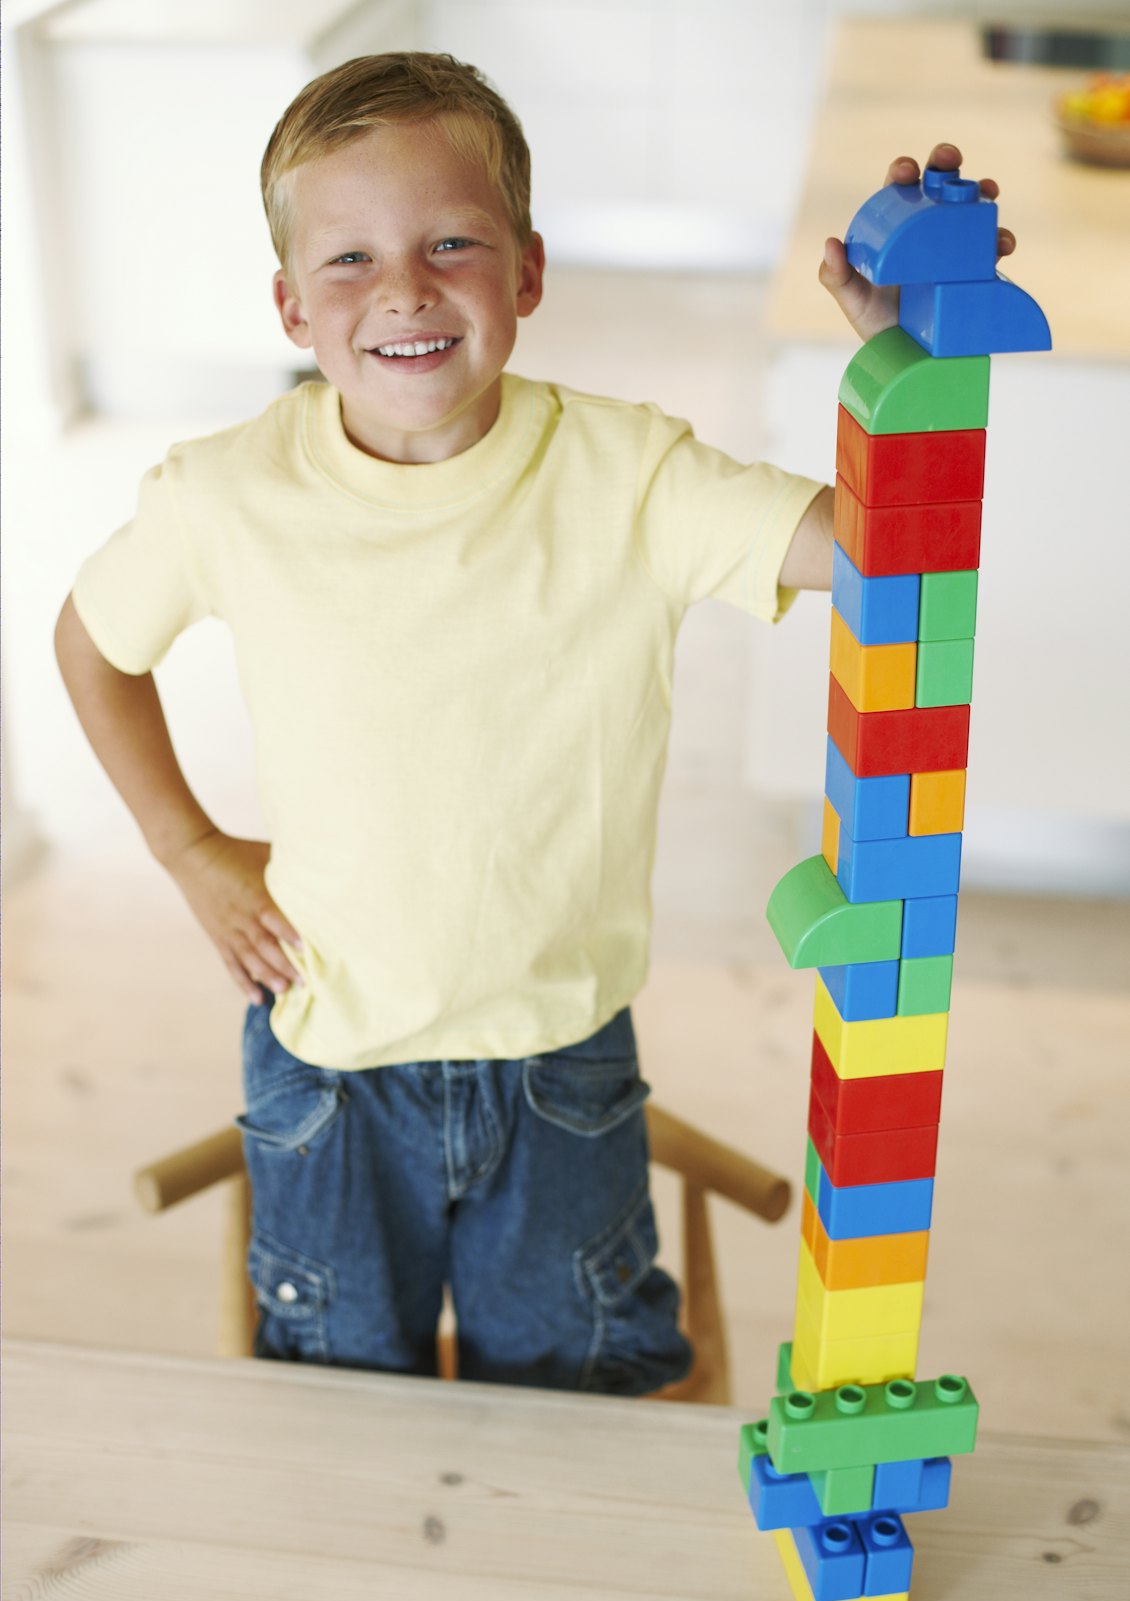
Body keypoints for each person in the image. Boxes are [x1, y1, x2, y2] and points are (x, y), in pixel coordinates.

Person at [54, 52, 1013, 1394]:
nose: (403, 288)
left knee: (580, 1414)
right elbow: (91, 648)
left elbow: (881, 550)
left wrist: (907, 365)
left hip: (561, 1068)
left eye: (453, 242)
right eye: (348, 261)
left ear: (528, 274)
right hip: (328, 1073)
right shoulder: (224, 495)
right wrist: (188, 848)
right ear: (287, 305)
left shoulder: (631, 475)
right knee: (332, 1420)